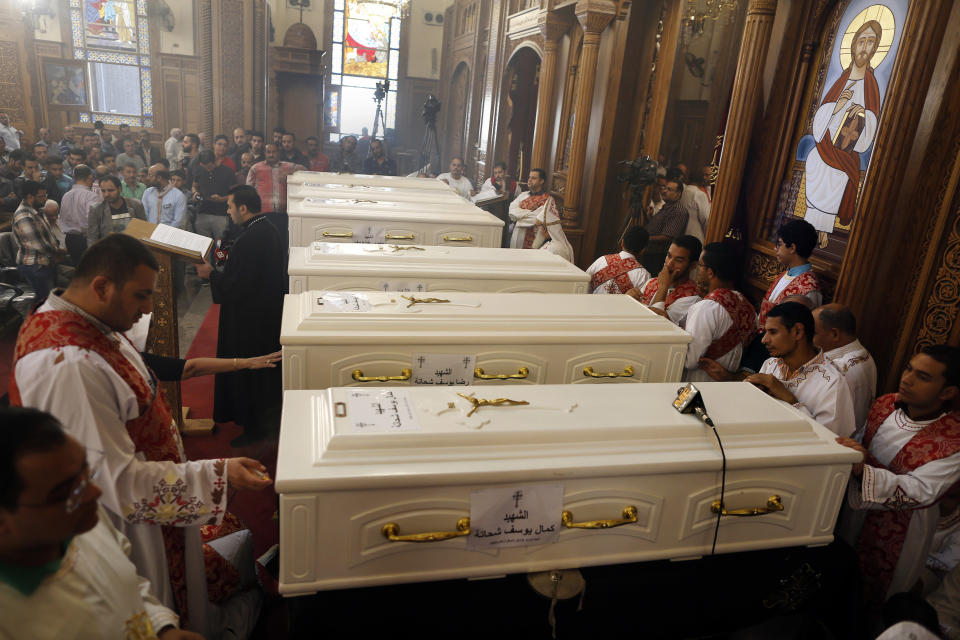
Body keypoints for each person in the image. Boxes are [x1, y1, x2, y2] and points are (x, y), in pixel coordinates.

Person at [10, 234, 272, 633]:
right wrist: (218, 473)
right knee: (168, 603)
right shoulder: (69, 365)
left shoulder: (83, 322)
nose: (148, 308)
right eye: (140, 296)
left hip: (156, 496)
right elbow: (113, 482)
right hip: (132, 523)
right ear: (101, 286)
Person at [0, 408, 202, 640]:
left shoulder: (82, 521)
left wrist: (161, 627)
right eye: (68, 492)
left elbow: (124, 579)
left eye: (87, 473)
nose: (94, 493)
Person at [837, 345, 960, 605]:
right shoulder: (885, 404)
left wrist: (863, 469)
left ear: (948, 392)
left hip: (905, 532)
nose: (907, 379)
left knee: (877, 599)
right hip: (857, 510)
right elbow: (861, 441)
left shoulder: (954, 440)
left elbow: (921, 490)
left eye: (923, 377)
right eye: (908, 368)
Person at [196, 185, 286, 446]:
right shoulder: (266, 228)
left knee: (248, 371)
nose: (228, 210)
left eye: (230, 205)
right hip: (261, 314)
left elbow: (235, 286)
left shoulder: (251, 238)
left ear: (243, 208)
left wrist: (210, 274)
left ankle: (254, 428)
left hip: (249, 321)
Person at [804, 21, 881, 247]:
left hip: (847, 150)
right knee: (814, 160)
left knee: (837, 174)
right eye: (861, 41)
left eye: (870, 43)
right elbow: (820, 121)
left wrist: (864, 115)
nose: (864, 47)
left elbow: (873, 121)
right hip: (826, 144)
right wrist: (838, 106)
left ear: (875, 50)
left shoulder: (871, 85)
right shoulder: (841, 81)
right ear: (853, 45)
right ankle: (810, 224)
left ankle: (823, 229)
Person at [747, 301, 856, 437]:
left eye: (773, 332)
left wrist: (791, 400)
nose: (764, 340)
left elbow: (830, 443)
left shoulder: (832, 383)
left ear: (797, 332)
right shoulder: (770, 364)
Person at [682, 242, 756, 382]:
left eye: (700, 265)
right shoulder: (748, 307)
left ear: (710, 272)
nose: (698, 270)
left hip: (699, 384)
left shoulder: (707, 308)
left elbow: (690, 360)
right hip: (728, 386)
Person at [813, 303, 877, 430]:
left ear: (834, 334)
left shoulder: (836, 370)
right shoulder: (863, 353)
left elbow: (825, 426)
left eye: (813, 333)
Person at [628, 235, 703, 327]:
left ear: (693, 266)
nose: (669, 264)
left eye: (678, 260)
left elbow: (653, 325)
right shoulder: (651, 282)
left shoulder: (692, 299)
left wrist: (663, 287)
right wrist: (629, 300)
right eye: (669, 256)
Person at [508, 168, 573, 262]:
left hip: (533, 237)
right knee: (513, 260)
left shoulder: (548, 200)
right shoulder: (523, 195)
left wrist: (519, 217)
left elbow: (537, 219)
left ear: (541, 181)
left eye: (533, 178)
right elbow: (511, 211)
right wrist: (527, 214)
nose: (529, 180)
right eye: (529, 177)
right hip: (516, 234)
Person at [12, 181, 63, 299]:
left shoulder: (37, 211)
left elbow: (50, 235)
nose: (45, 199)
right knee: (46, 302)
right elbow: (40, 245)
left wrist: (57, 247)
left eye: (46, 195)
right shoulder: (24, 216)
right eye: (41, 196)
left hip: (46, 261)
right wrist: (58, 251)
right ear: (30, 196)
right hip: (35, 265)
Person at [246, 142, 302, 249]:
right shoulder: (255, 168)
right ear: (264, 153)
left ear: (279, 152)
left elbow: (305, 169)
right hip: (262, 214)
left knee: (281, 244)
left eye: (274, 152)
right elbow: (248, 191)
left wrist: (291, 172)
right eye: (268, 152)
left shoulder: (287, 166)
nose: (271, 154)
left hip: (283, 214)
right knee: (262, 245)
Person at [643, 173, 689, 275]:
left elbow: (668, 236)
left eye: (669, 189)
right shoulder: (667, 206)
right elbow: (659, 228)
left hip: (659, 256)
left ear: (678, 194)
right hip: (651, 253)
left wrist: (645, 238)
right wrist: (649, 217)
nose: (664, 191)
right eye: (664, 188)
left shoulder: (678, 210)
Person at [586, 226, 652, 294]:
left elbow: (584, 285)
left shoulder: (602, 260)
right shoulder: (644, 275)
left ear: (622, 242)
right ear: (643, 250)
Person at [59, 164, 101, 264]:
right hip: (85, 240)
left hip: (69, 240)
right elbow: (91, 221)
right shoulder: (91, 196)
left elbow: (62, 217)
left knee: (78, 270)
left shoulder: (66, 195)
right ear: (90, 178)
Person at [87, 175, 146, 243]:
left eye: (111, 190)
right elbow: (92, 237)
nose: (106, 194)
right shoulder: (97, 210)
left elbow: (143, 231)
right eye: (103, 191)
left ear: (120, 189)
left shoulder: (136, 205)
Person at [192, 149, 235, 243]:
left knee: (221, 246)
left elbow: (235, 193)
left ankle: (220, 258)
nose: (208, 169)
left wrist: (222, 199)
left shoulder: (228, 172)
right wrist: (195, 193)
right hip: (202, 213)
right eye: (205, 167)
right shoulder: (199, 170)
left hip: (221, 214)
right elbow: (194, 186)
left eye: (210, 167)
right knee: (202, 246)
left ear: (215, 160)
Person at [142, 164, 187, 229]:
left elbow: (178, 221)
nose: (147, 178)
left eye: (150, 175)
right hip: (149, 232)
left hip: (169, 234)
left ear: (159, 178)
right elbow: (144, 215)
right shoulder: (147, 192)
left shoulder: (179, 196)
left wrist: (164, 234)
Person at [672, 165, 711, 241]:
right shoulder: (698, 194)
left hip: (682, 233)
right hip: (695, 235)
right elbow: (706, 219)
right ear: (701, 179)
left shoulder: (685, 190)